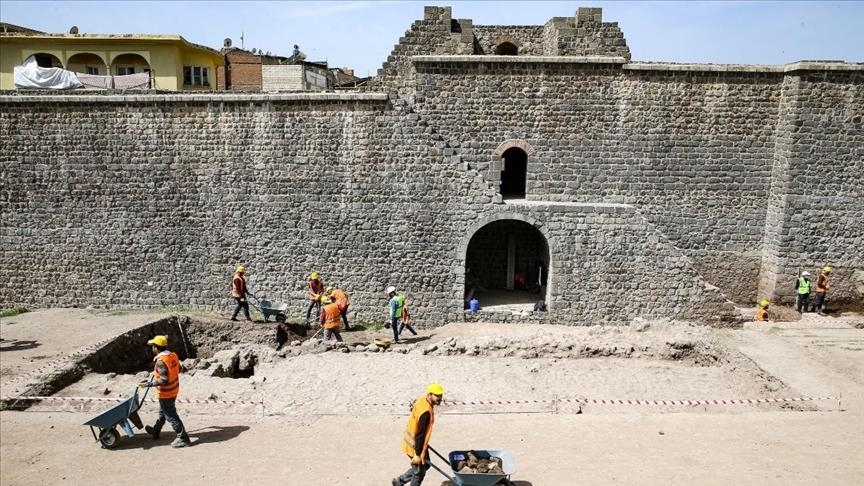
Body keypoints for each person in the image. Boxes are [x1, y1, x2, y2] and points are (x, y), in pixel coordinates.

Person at [139, 335, 191, 448]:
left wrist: (150, 384)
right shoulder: (173, 355)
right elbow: (180, 369)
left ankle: (183, 438)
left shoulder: (160, 361)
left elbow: (164, 380)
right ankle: (156, 430)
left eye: (153, 346)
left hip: (166, 392)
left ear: (156, 348)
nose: (152, 348)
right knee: (163, 412)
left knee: (170, 415)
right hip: (174, 389)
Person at [391, 383, 445, 486]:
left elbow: (414, 406)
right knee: (419, 473)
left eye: (440, 395)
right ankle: (399, 481)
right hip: (414, 444)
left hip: (411, 441)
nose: (439, 398)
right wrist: (417, 454)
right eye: (437, 395)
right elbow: (419, 434)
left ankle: (399, 481)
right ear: (429, 395)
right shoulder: (425, 413)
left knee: (426, 464)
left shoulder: (422, 400)